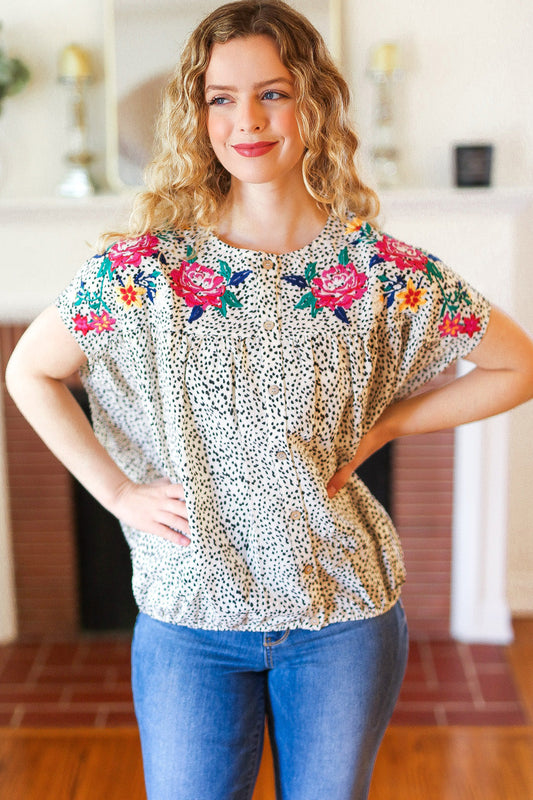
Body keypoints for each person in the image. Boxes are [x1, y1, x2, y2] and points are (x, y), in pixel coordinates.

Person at [6, 2, 533, 798]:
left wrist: (386, 426)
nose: (246, 119)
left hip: (342, 617)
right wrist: (114, 491)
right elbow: (28, 373)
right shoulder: (143, 269)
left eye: (272, 93)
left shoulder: (375, 268)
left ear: (312, 102)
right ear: (198, 113)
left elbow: (515, 367)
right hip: (190, 621)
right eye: (221, 97)